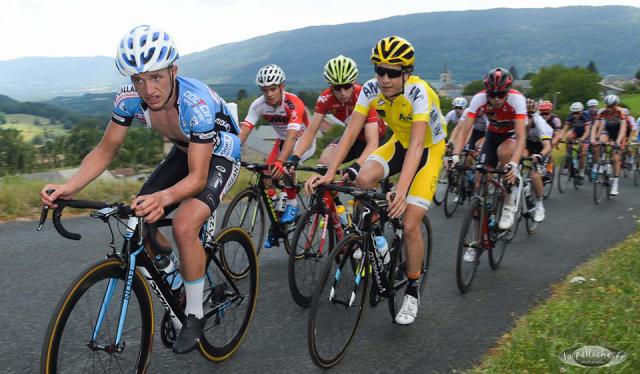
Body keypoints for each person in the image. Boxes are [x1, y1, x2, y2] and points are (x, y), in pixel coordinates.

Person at [40, 25, 242, 354]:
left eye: (156, 77)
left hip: (219, 154)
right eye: (138, 79)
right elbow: (105, 150)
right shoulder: (130, 98)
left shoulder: (197, 103)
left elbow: (197, 178)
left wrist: (165, 197)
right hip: (182, 148)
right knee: (138, 214)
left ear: (173, 71)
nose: (147, 89)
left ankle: (194, 312)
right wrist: (68, 186)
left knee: (183, 224)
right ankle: (174, 276)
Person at [306, 36, 446, 325]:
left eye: (392, 72)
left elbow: (418, 147)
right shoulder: (370, 89)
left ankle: (412, 289)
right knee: (364, 179)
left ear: (406, 72)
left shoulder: (420, 92)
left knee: (409, 225)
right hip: (399, 143)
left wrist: (402, 191)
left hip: (428, 150)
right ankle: (378, 242)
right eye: (379, 70)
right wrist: (330, 173)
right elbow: (348, 134)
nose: (384, 78)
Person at [238, 64, 311, 245]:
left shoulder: (293, 103)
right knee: (266, 177)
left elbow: (293, 137)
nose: (269, 94)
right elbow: (245, 131)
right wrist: (230, 152)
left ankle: (292, 204)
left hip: (302, 141)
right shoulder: (258, 105)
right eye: (265, 90)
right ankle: (276, 223)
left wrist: (281, 162)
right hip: (281, 142)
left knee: (286, 168)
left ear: (282, 87)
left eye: (273, 89)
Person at [451, 67, 527, 235]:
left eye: (500, 95)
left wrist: (514, 165)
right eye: (492, 94)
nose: (496, 99)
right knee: (479, 179)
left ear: (507, 92)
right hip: (492, 134)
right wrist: (456, 155)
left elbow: (521, 136)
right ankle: (477, 238)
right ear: (487, 92)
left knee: (504, 155)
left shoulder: (517, 99)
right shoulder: (479, 99)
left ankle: (508, 201)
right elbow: (465, 130)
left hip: (511, 135)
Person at [288, 55, 386, 179]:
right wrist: (295, 156)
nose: (342, 92)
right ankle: (330, 196)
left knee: (363, 179)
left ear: (353, 82)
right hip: (352, 139)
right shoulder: (326, 98)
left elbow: (372, 142)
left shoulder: (364, 96)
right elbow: (311, 131)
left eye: (346, 86)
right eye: (337, 88)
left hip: (376, 140)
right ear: (330, 86)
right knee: (324, 161)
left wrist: (356, 166)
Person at [590, 94, 627, 196]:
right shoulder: (602, 111)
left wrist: (618, 142)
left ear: (616, 105)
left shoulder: (621, 112)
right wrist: (593, 139)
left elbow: (623, 128)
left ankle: (615, 184)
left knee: (616, 159)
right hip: (609, 131)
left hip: (619, 133)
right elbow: (595, 126)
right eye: (608, 106)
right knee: (600, 142)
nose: (609, 109)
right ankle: (601, 162)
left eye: (612, 106)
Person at [523, 99, 553, 223]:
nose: (527, 118)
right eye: (526, 115)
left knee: (535, 176)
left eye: (530, 115)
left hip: (542, 146)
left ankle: (539, 205)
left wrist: (539, 155)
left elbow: (547, 146)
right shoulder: (521, 120)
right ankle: (522, 187)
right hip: (529, 144)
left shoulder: (539, 122)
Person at [558, 102, 592, 183]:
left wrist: (582, 139)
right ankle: (568, 157)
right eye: (574, 113)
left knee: (582, 153)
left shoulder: (585, 116)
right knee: (568, 137)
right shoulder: (570, 116)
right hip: (576, 132)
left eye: (577, 112)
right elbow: (565, 128)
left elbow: (587, 131)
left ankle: (581, 171)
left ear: (581, 111)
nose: (575, 114)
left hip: (585, 134)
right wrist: (560, 138)